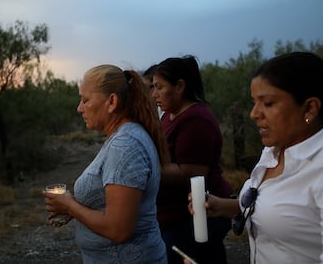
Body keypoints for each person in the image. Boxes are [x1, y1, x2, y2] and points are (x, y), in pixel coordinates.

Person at [188, 51, 323, 263]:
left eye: (267, 103)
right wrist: (223, 206)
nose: (253, 113)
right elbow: (280, 208)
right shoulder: (274, 150)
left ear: (309, 108)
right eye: (254, 102)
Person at [43, 64, 170, 263]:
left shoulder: (125, 145)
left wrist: (70, 206)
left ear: (111, 101)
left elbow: (118, 230)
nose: (79, 108)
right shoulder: (122, 137)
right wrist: (78, 208)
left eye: (85, 100)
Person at [151, 55, 233, 264]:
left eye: (159, 87)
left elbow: (191, 173)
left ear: (179, 86)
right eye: (153, 87)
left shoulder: (196, 120)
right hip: (176, 216)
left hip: (198, 215)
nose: (154, 94)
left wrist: (145, 166)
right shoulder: (168, 116)